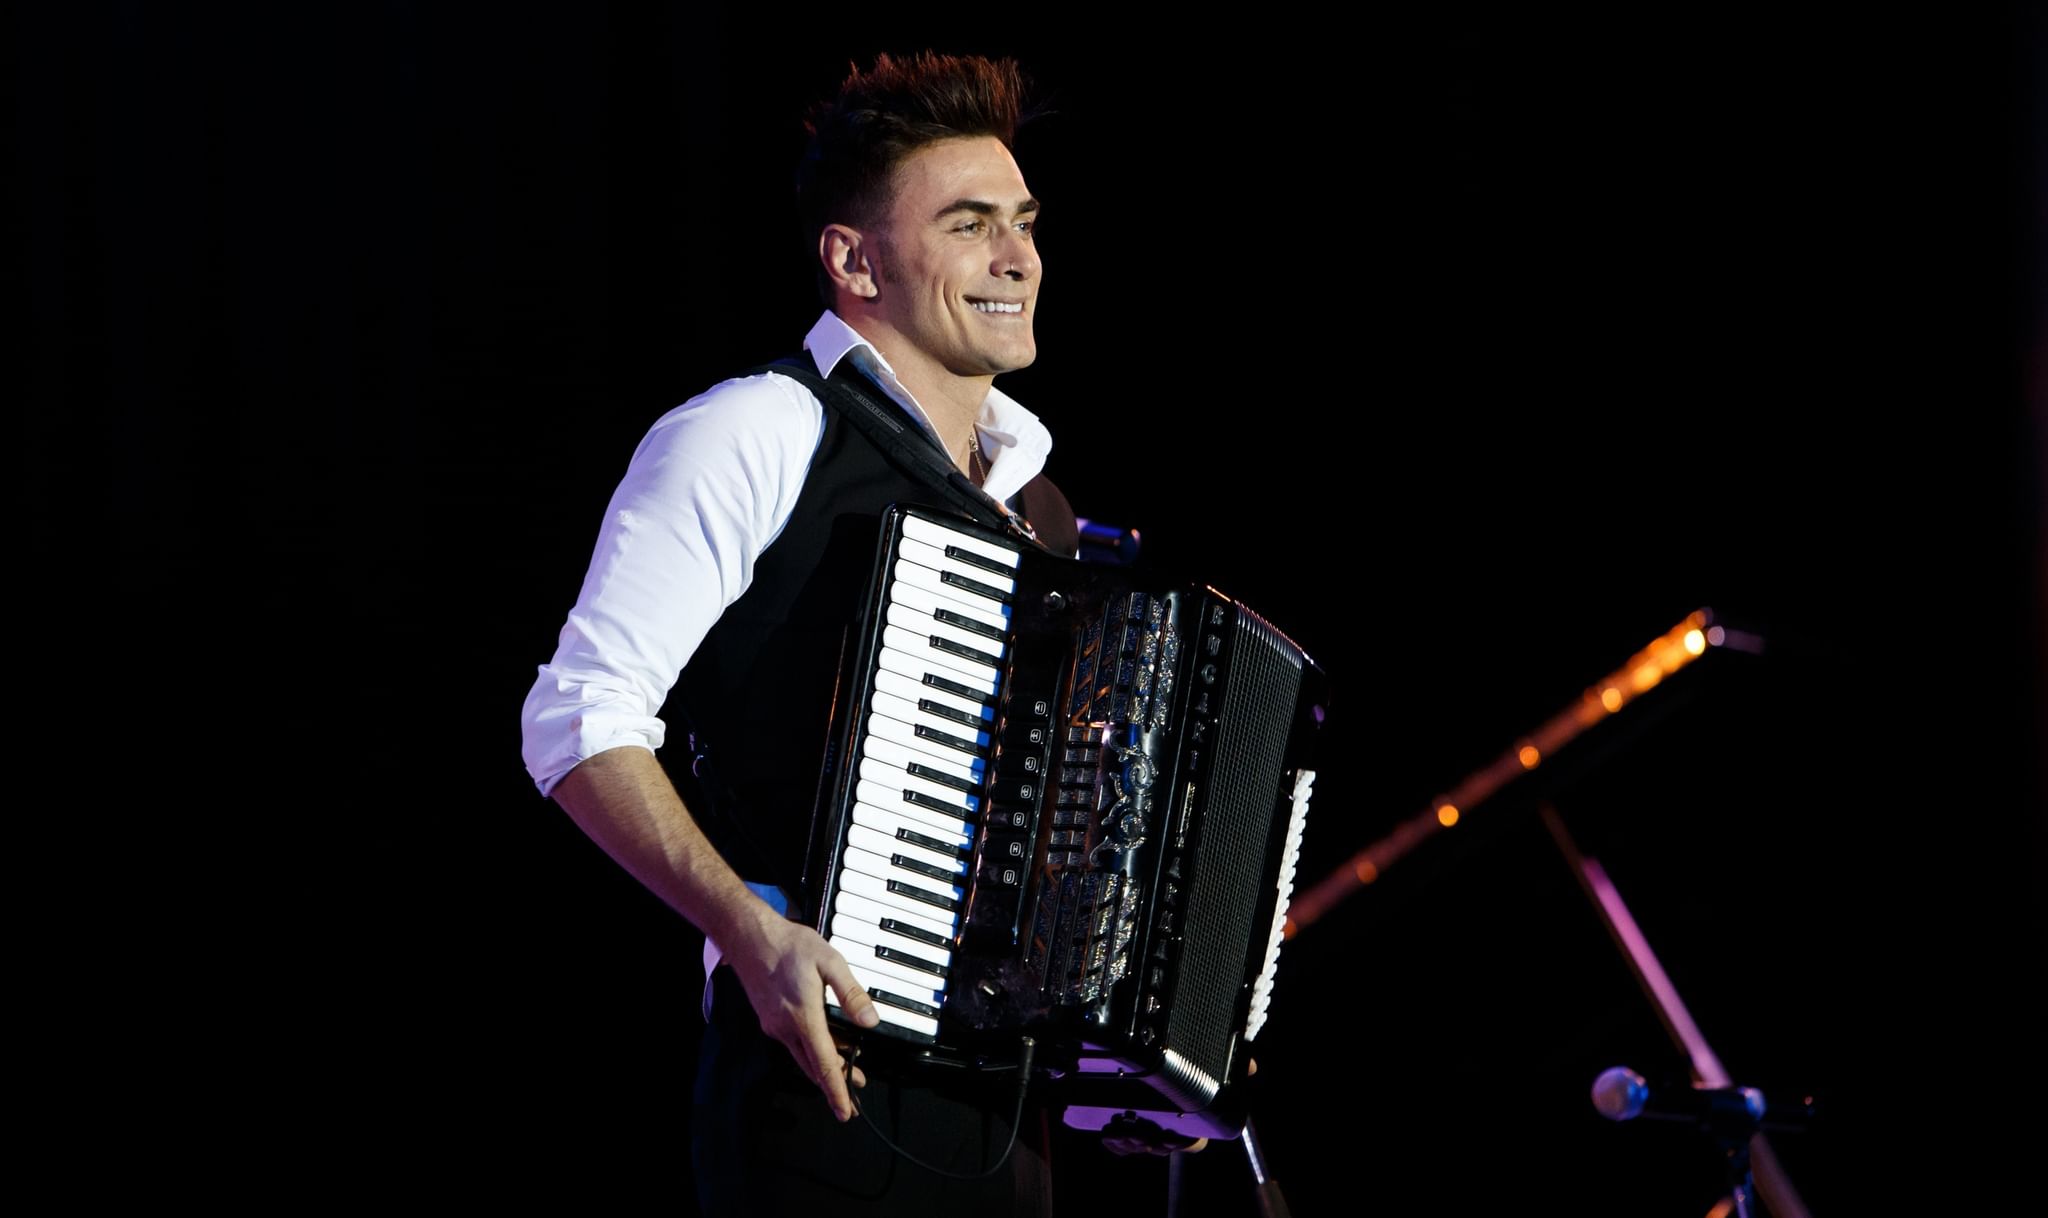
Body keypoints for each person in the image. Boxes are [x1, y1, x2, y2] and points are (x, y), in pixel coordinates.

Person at [519, 51, 1142, 1215]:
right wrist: (750, 931)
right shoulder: (756, 430)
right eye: (968, 225)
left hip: (1009, 1128)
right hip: (821, 1085)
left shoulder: (1040, 506)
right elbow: (578, 720)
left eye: (1021, 224)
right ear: (855, 262)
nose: (1016, 258)